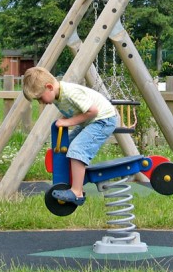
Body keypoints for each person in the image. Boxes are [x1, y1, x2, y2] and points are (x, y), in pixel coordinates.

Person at [23, 66, 118, 206]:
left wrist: (68, 122)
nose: (41, 102)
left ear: (49, 87)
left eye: (40, 98)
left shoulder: (69, 93)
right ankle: (71, 181)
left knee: (77, 149)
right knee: (66, 146)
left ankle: (77, 192)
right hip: (91, 122)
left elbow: (93, 111)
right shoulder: (56, 95)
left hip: (103, 120)